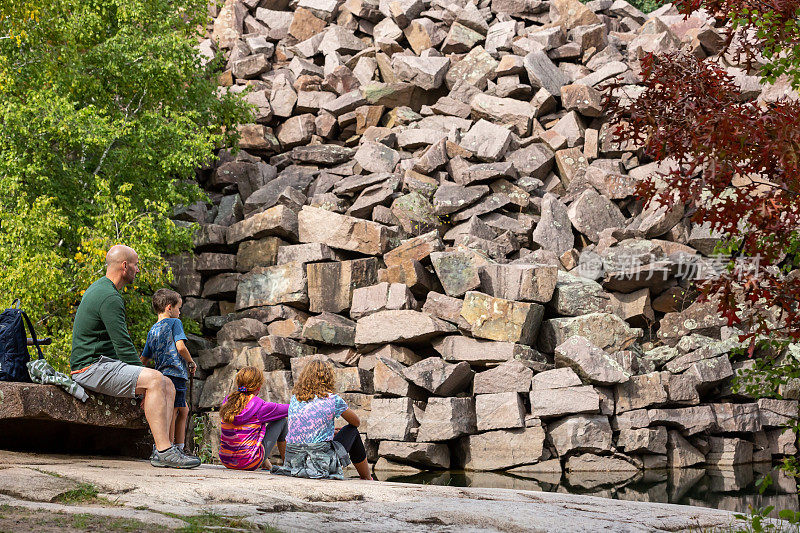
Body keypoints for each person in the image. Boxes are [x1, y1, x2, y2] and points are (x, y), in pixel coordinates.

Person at [70, 244, 200, 468]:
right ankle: (164, 451)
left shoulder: (105, 291)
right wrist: (142, 386)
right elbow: (123, 345)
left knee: (167, 384)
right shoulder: (108, 297)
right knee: (156, 380)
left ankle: (166, 448)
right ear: (124, 266)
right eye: (136, 265)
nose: (138, 269)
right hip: (90, 368)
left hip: (104, 364)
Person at [273, 360, 373, 480]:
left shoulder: (295, 399)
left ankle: (366, 477)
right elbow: (356, 422)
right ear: (328, 378)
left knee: (333, 437)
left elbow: (306, 429)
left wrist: (331, 432)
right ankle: (367, 478)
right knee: (352, 431)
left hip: (294, 462)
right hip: (319, 463)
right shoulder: (333, 399)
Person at [140, 289, 196, 453]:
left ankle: (178, 446)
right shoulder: (175, 323)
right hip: (176, 373)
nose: (180, 312)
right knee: (174, 410)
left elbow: (144, 359)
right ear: (169, 308)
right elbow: (180, 347)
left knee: (183, 409)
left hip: (162, 376)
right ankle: (170, 448)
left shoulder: (153, 330)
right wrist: (191, 361)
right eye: (179, 308)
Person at [219, 366, 289, 470]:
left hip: (227, 460)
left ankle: (267, 464)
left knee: (252, 432)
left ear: (238, 383)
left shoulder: (228, 401)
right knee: (281, 420)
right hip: (249, 461)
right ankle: (288, 466)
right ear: (259, 387)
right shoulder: (261, 407)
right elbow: (291, 409)